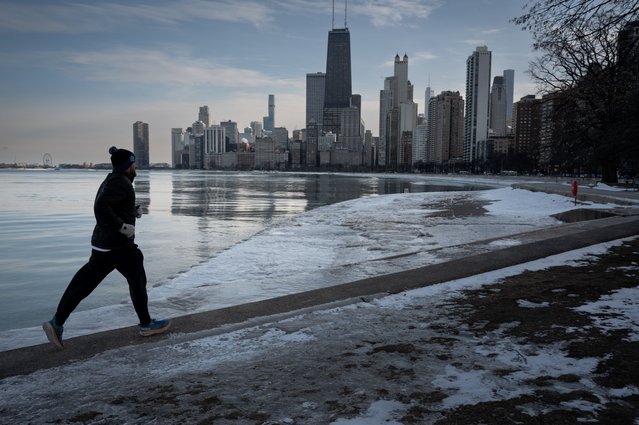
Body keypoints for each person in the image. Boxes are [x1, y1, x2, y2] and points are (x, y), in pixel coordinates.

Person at [42, 146, 171, 349]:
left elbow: (109, 205)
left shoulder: (112, 179)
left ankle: (56, 323)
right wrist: (121, 226)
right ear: (128, 166)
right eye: (133, 163)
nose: (135, 167)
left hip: (103, 245)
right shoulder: (121, 183)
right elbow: (100, 207)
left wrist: (131, 211)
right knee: (135, 277)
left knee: (83, 284)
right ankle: (146, 325)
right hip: (117, 245)